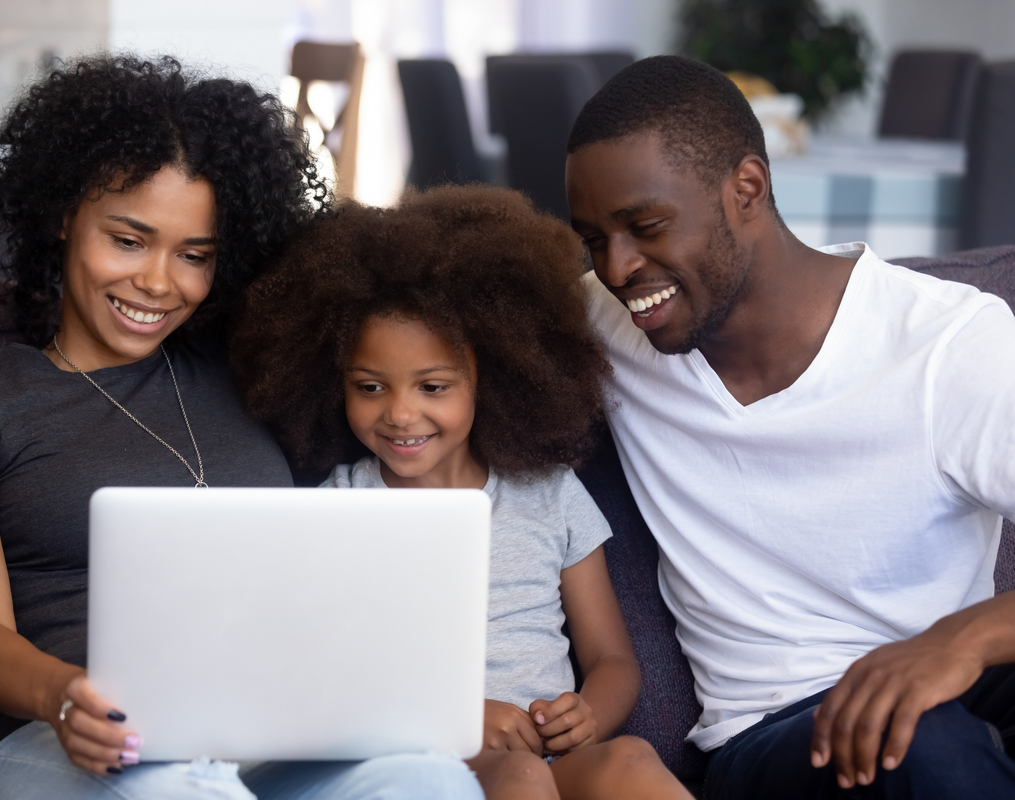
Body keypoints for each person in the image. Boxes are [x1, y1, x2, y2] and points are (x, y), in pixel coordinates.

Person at [0, 55, 482, 800]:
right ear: (63, 214)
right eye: (129, 239)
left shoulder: (249, 372)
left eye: (194, 256)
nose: (159, 282)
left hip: (266, 740)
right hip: (71, 748)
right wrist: (65, 696)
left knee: (429, 778)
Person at [564, 54, 1015, 799]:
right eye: (592, 240)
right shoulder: (609, 326)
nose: (616, 268)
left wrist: (958, 640)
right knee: (926, 750)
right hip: (773, 732)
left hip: (950, 687)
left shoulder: (945, 345)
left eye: (645, 226)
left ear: (747, 188)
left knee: (939, 731)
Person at [232, 185, 694, 800]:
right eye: (370, 387)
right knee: (521, 777)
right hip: (423, 765)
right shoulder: (336, 510)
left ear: (493, 375)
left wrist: (588, 715)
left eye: (433, 386)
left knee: (630, 759)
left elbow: (612, 660)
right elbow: (321, 680)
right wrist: (456, 720)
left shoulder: (550, 494)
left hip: (550, 756)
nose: (400, 413)